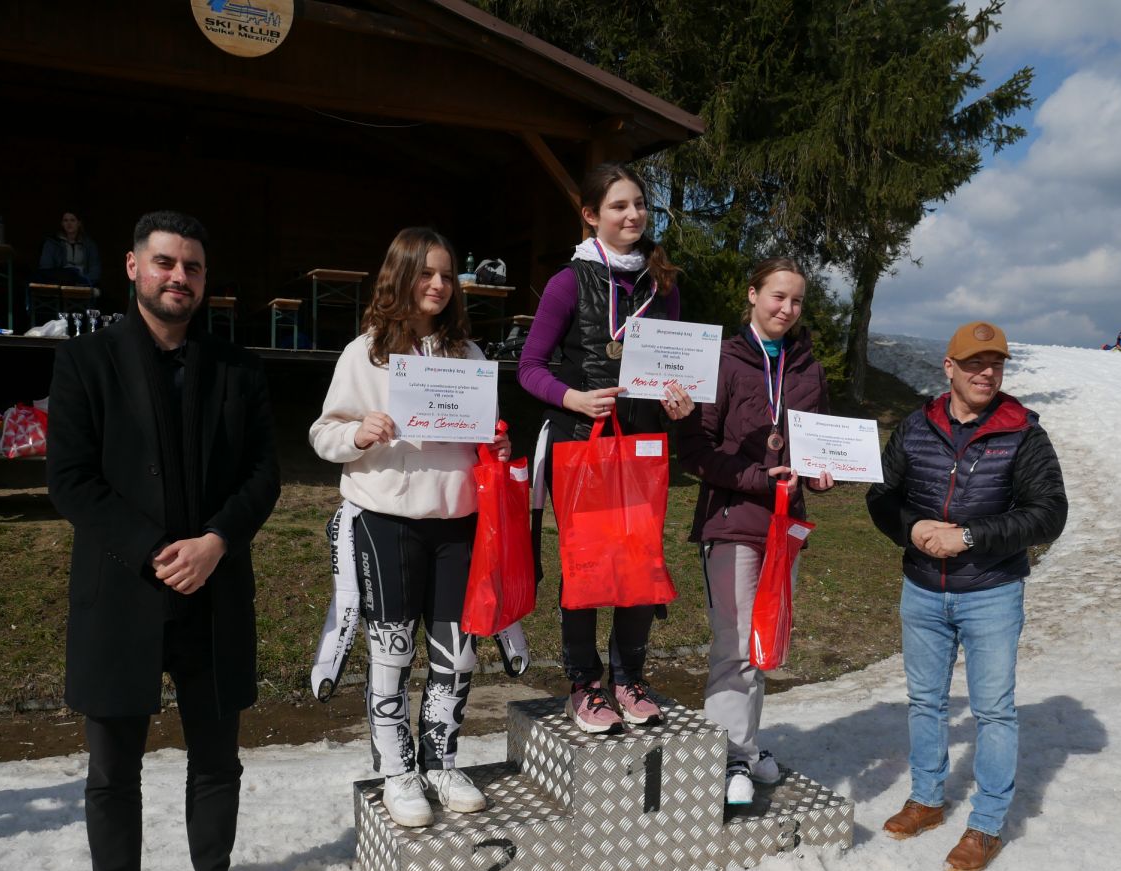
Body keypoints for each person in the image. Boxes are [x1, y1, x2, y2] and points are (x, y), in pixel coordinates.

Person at [47, 210, 280, 871]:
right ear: (133, 266)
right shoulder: (85, 362)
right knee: (114, 768)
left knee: (217, 758)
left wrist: (216, 541)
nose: (179, 276)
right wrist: (151, 549)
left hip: (214, 590)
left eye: (193, 266)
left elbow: (264, 474)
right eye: (166, 262)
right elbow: (70, 479)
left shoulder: (238, 368)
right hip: (123, 593)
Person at [309, 227, 509, 829]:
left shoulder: (470, 357)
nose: (439, 285)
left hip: (458, 524)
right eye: (426, 273)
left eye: (447, 275)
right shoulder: (364, 353)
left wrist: (497, 443)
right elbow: (322, 434)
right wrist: (357, 433)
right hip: (386, 522)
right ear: (399, 276)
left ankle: (440, 761)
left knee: (457, 654)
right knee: (392, 652)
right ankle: (397, 770)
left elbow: (483, 435)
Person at [866, 321, 1068, 871]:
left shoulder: (1023, 433)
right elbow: (881, 494)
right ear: (949, 368)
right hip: (922, 589)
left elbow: (1049, 513)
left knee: (994, 710)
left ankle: (986, 824)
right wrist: (911, 528)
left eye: (996, 364)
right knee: (925, 702)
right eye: (975, 363)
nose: (987, 373)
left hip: (991, 592)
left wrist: (970, 537)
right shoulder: (916, 426)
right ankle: (927, 799)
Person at [517, 162, 694, 734]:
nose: (633, 214)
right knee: (588, 564)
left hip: (642, 444)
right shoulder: (568, 282)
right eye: (619, 206)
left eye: (639, 204)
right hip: (580, 443)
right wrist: (573, 398)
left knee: (639, 562)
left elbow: (672, 369)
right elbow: (529, 368)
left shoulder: (662, 284)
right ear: (592, 216)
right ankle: (584, 685)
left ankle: (629, 679)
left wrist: (678, 401)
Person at [680, 258, 834, 804]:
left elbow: (820, 444)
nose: (787, 309)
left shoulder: (808, 368)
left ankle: (742, 746)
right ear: (752, 295)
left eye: (796, 301)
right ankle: (727, 760)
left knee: (764, 640)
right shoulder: (721, 360)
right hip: (733, 520)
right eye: (777, 296)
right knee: (737, 644)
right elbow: (695, 450)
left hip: (783, 527)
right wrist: (754, 478)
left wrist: (822, 476)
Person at [37, 211, 102, 289]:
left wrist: (85, 282)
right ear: (62, 223)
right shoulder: (52, 243)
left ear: (79, 223)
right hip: (60, 285)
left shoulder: (89, 244)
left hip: (84, 285)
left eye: (72, 220)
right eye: (66, 220)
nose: (69, 224)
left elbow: (95, 268)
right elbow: (45, 267)